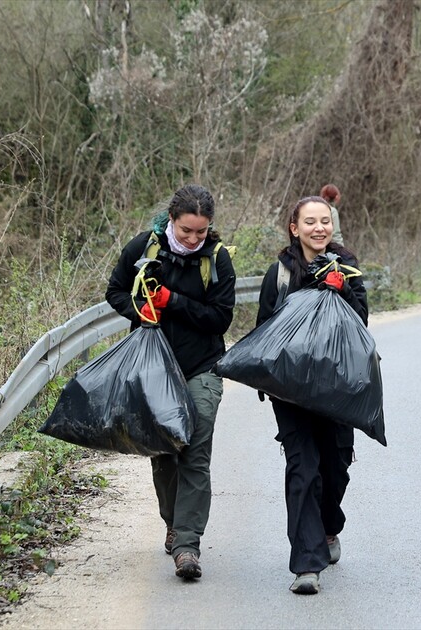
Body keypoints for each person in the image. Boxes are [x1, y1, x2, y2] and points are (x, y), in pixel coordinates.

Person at [105, 184, 235, 581]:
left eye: (201, 231)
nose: (193, 239)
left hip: (203, 368)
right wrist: (141, 310)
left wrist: (172, 303)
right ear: (171, 221)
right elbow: (114, 291)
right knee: (164, 454)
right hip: (155, 370)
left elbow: (220, 319)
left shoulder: (217, 259)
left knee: (194, 452)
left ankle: (187, 546)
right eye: (185, 231)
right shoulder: (144, 248)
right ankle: (174, 524)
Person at [255, 196, 368, 595]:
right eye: (310, 222)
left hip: (338, 390)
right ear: (294, 228)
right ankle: (307, 563)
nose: (319, 228)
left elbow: (362, 326)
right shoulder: (281, 274)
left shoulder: (347, 268)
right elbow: (264, 331)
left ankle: (329, 527)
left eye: (325, 221)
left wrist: (343, 291)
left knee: (335, 468)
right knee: (303, 470)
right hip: (292, 393)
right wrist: (265, 385)